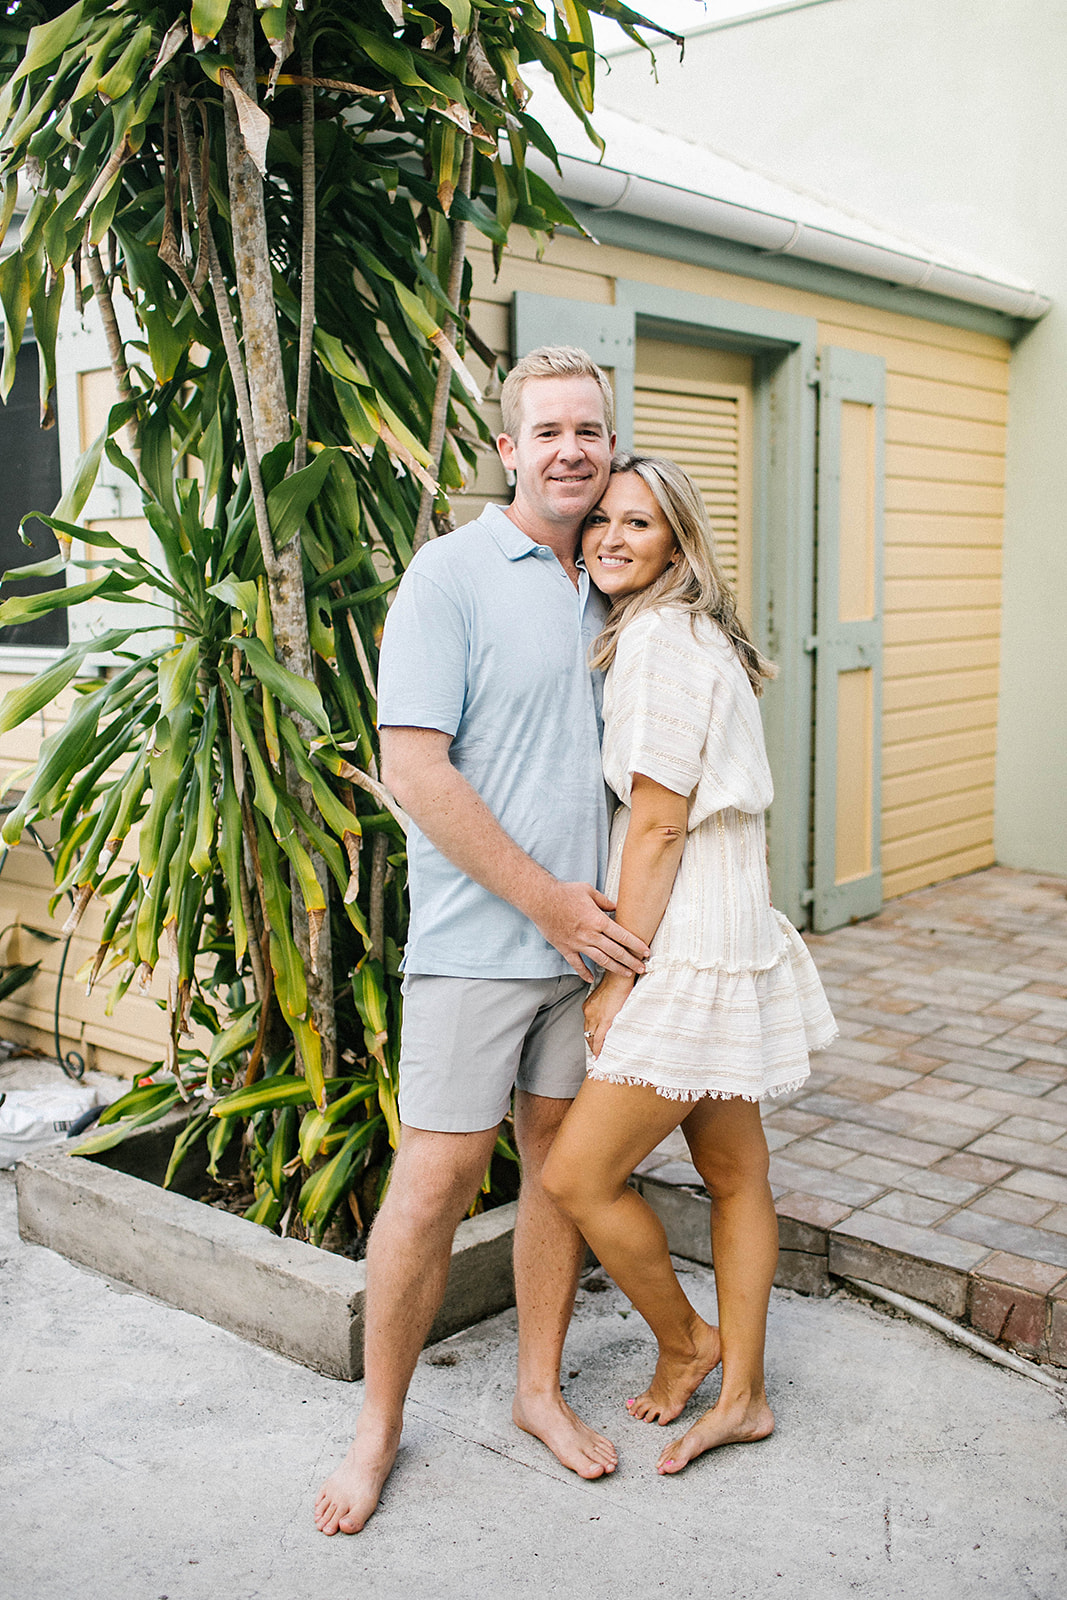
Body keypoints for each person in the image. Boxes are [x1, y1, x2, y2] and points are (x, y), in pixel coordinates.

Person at [315, 348, 651, 1537]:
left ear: (610, 446)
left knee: (560, 1169)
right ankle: (377, 1428)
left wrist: (599, 920)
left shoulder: (622, 575)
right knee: (435, 1182)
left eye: (590, 431)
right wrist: (547, 900)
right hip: (475, 945)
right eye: (547, 430)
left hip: (591, 956)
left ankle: (535, 1392)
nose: (571, 449)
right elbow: (414, 770)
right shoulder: (448, 574)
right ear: (508, 450)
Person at [543, 452, 836, 1476]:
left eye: (639, 523)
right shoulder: (698, 634)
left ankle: (687, 1341)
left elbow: (658, 825)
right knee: (733, 1171)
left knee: (578, 1173)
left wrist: (621, 970)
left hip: (684, 941)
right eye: (602, 522)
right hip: (727, 918)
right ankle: (742, 1393)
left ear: (676, 543)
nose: (611, 537)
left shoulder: (660, 641)